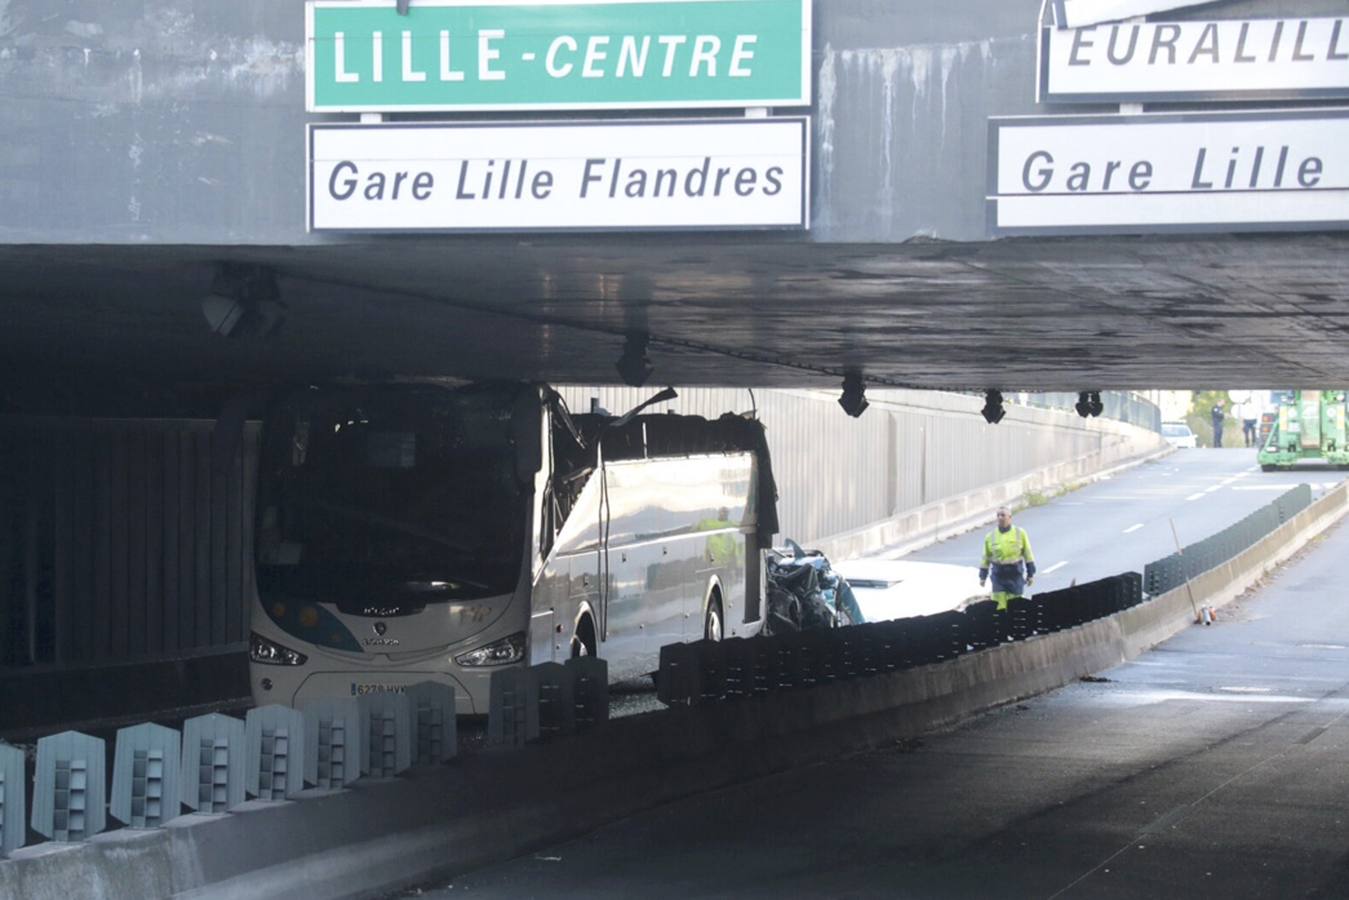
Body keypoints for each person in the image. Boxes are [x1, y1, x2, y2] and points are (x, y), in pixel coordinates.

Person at [978, 507, 1036, 611]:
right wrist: (983, 576)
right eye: (998, 515)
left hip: (1015, 576)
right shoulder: (990, 537)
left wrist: (1030, 574)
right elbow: (985, 559)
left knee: (1016, 606)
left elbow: (1028, 554)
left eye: (1003, 515)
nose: (1000, 518)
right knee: (998, 606)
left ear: (1010, 517)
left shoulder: (1020, 533)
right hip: (998, 577)